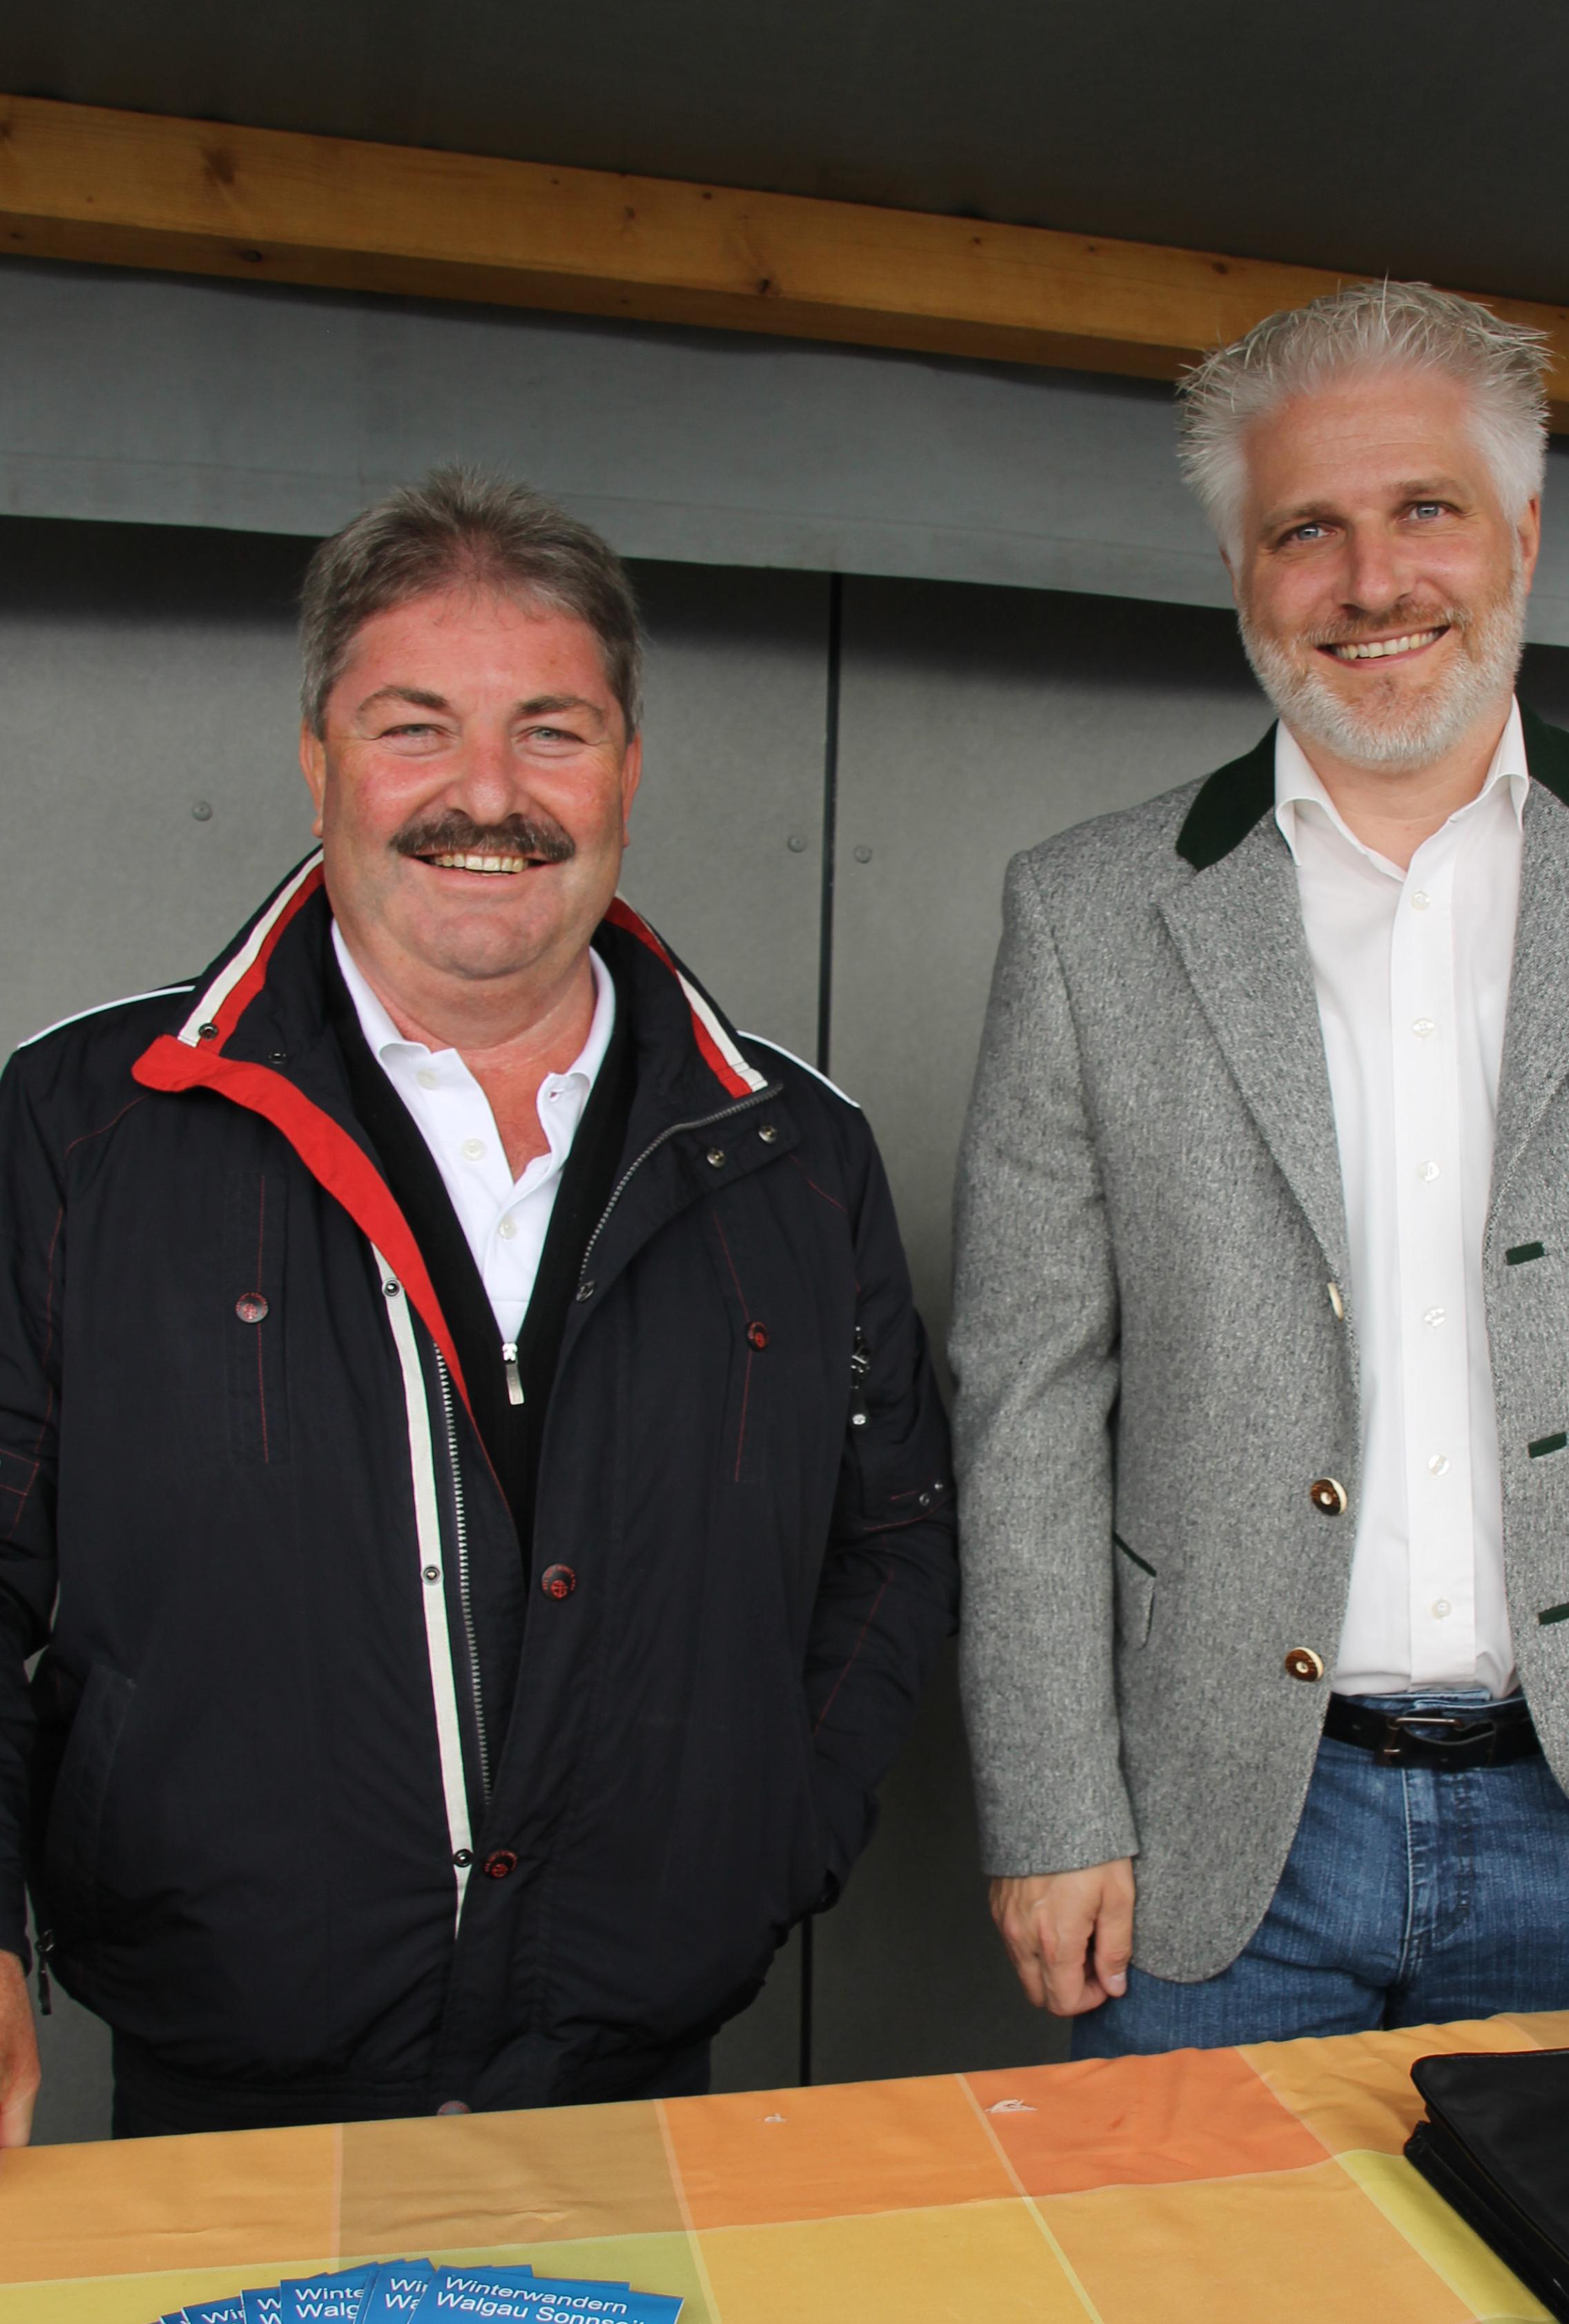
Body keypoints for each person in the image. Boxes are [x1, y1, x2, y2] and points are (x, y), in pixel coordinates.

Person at [952, 281, 1569, 2050]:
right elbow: (1027, 1392)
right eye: (1306, 527)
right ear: (1243, 570)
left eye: (1425, 510)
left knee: (1567, 2245)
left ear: (1522, 533)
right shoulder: (1088, 912)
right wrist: (1054, 1800)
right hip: (1210, 1831)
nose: (1372, 582)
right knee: (1193, 2246)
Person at [0, 466, 954, 2140]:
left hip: (640, 2071)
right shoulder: (85, 1127)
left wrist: (762, 1835)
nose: (488, 793)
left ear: (629, 767)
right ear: (319, 759)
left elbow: (894, 1534)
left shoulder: (797, 1155)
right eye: (415, 728)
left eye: (551, 731)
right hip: (228, 2081)